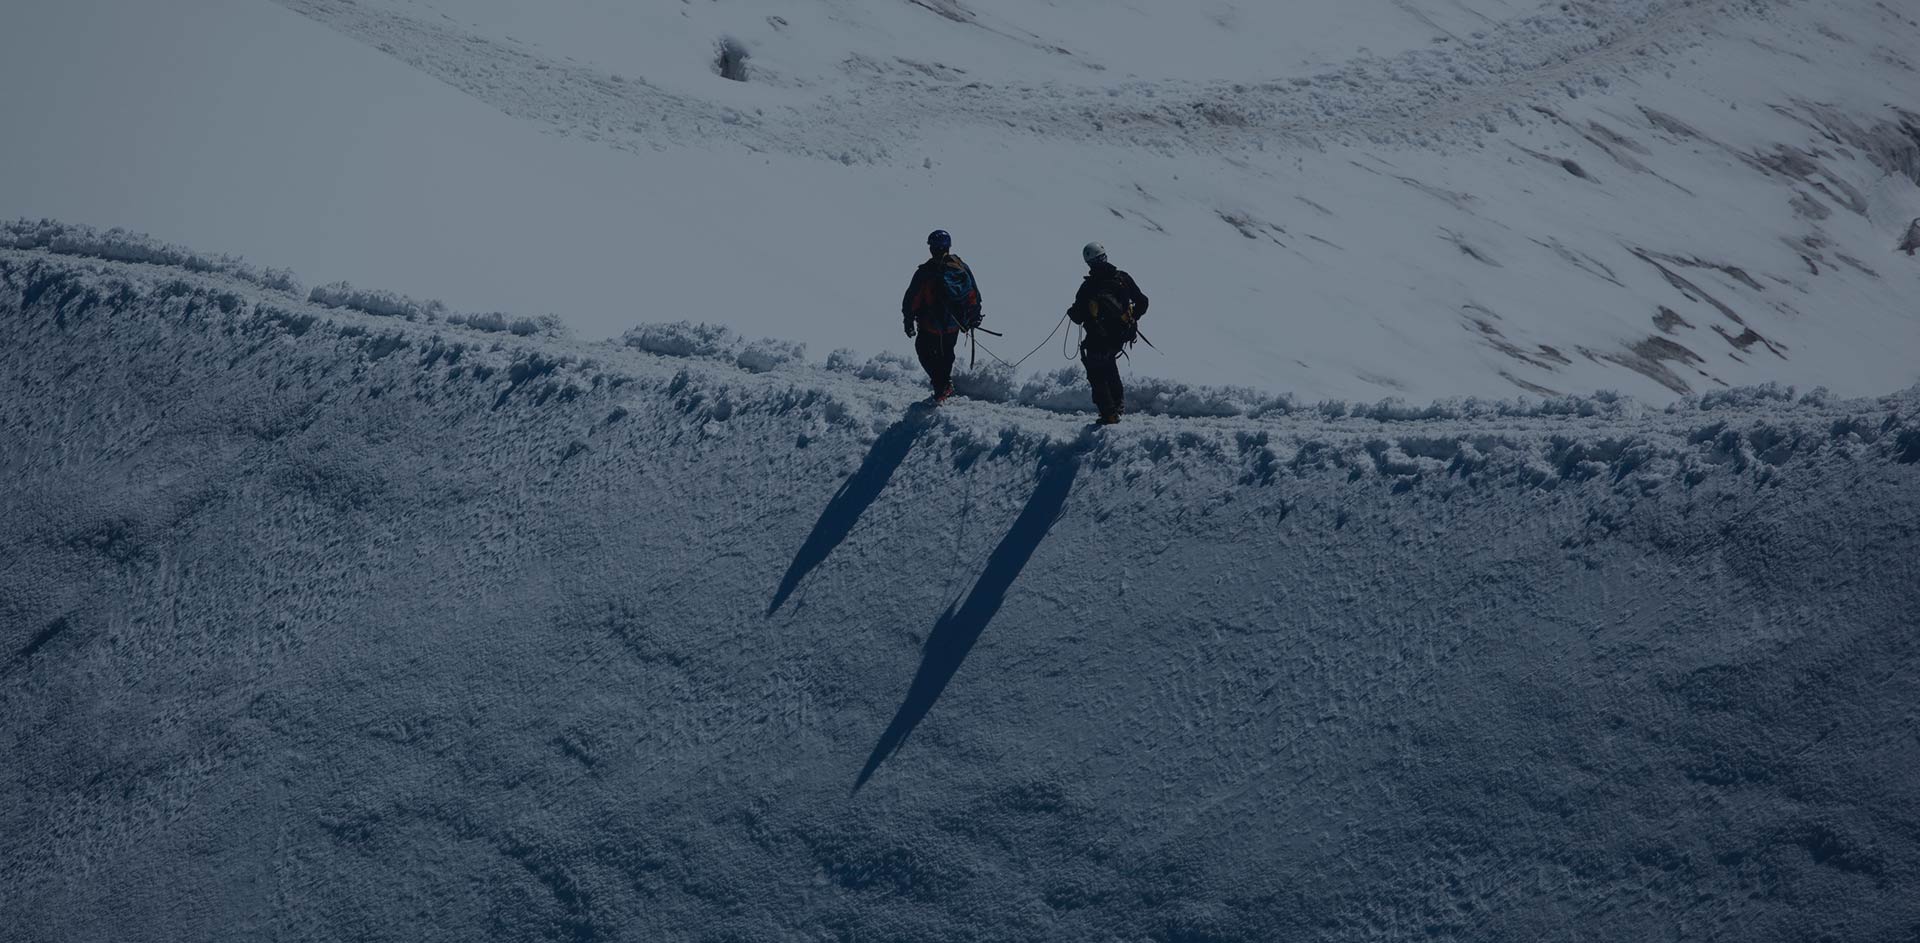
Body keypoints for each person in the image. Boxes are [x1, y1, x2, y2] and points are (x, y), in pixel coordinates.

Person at [1067, 241, 1149, 424]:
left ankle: (1109, 413)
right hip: (1120, 335)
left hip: (1098, 338)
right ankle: (1117, 405)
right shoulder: (1122, 278)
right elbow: (1143, 302)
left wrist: (1071, 312)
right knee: (1110, 367)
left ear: (1089, 263)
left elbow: (1078, 316)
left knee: (1097, 374)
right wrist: (1130, 318)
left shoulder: (1088, 287)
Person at [900, 229, 982, 402]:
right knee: (946, 355)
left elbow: (912, 299)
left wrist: (908, 320)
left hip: (930, 324)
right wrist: (973, 316)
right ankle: (943, 386)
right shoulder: (960, 266)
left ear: (931, 248)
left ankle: (942, 388)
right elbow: (974, 293)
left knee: (924, 352)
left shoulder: (926, 272)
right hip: (955, 324)